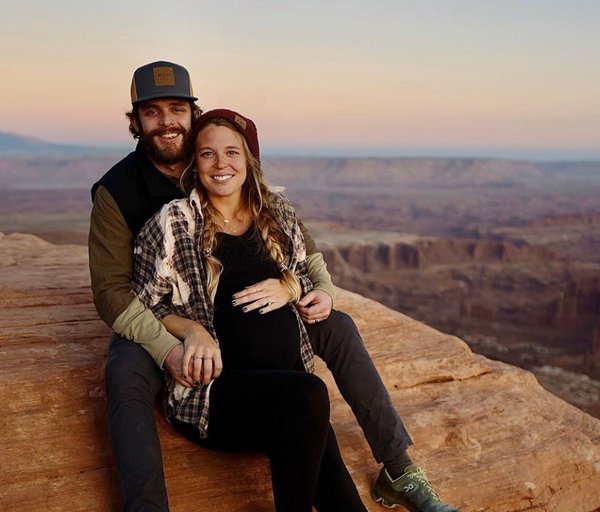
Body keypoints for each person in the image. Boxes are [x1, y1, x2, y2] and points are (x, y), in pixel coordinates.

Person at [88, 61, 459, 512]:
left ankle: (398, 467)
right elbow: (113, 292)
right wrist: (176, 341)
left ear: (193, 115)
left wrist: (302, 288)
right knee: (124, 367)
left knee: (336, 327)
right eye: (152, 112)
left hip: (249, 318)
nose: (167, 122)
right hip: (166, 315)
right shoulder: (121, 192)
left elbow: (304, 253)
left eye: (176, 109)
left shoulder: (236, 168)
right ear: (135, 122)